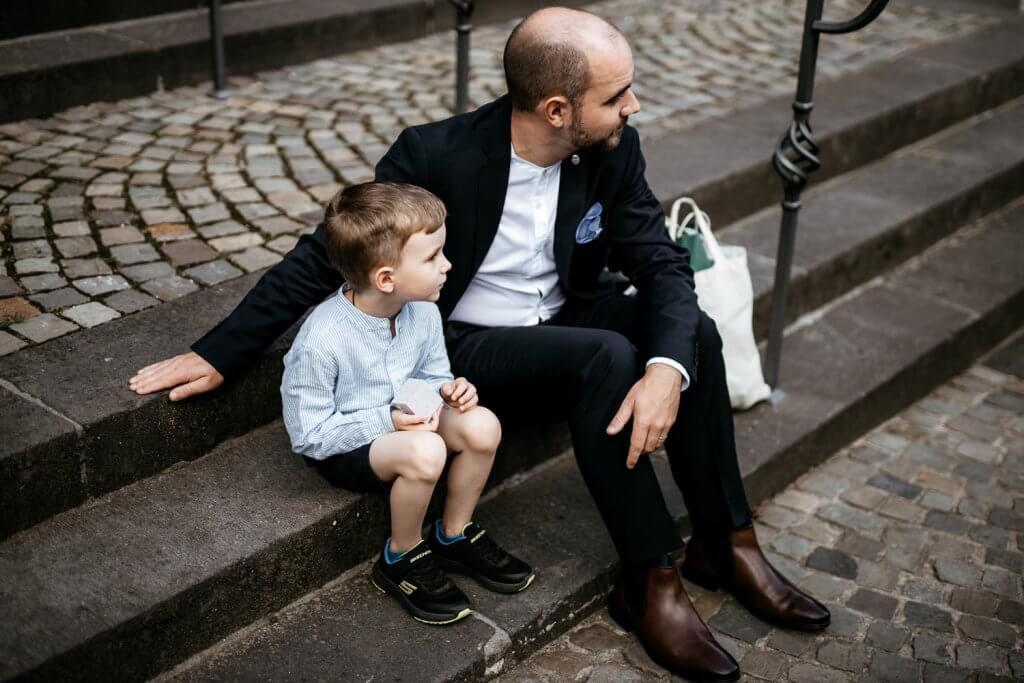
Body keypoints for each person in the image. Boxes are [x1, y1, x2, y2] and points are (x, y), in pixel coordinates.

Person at [130, 7, 828, 679]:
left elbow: (659, 261)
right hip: (464, 347)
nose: (634, 106)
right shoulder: (436, 153)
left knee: (688, 333)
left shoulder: (613, 151)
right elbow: (323, 256)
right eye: (617, 95)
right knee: (608, 358)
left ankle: (724, 542)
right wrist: (221, 351)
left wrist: (668, 371)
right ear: (557, 110)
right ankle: (649, 577)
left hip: (567, 320)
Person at [281, 181, 534, 626]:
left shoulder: (424, 309)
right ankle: (401, 556)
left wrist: (450, 390)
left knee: (483, 425)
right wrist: (387, 422)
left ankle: (453, 533)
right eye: (433, 257)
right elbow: (310, 436)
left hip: (409, 422)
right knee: (428, 451)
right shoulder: (321, 340)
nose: (447, 265)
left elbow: (433, 373)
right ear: (386, 278)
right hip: (348, 446)